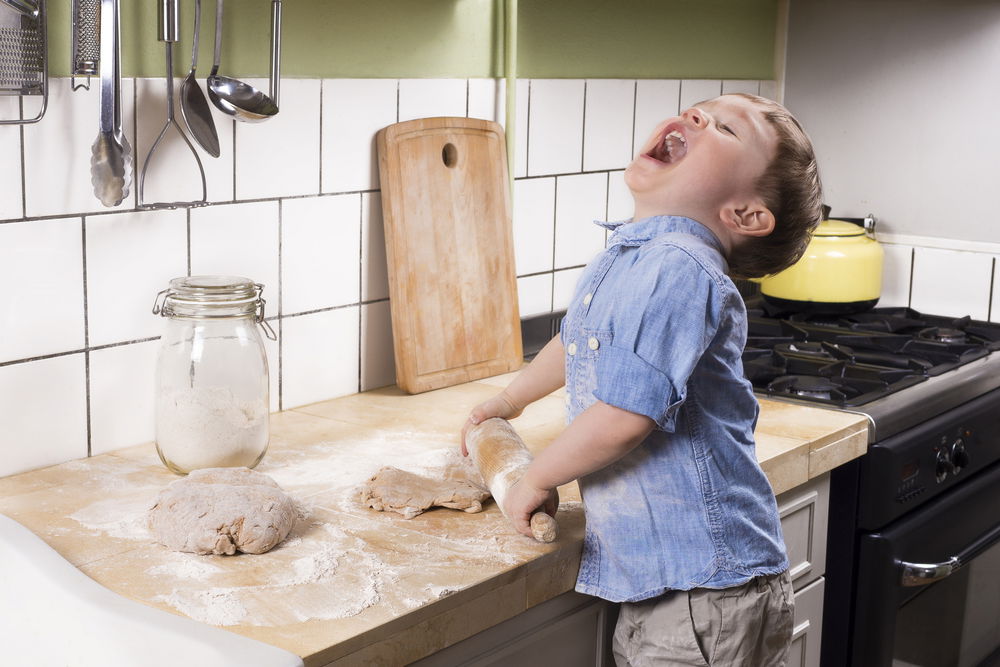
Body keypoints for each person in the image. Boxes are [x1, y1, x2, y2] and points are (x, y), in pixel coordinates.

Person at [461, 93, 823, 666]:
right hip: (674, 584)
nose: (698, 116)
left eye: (725, 128)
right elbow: (581, 338)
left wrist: (537, 476)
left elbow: (624, 418)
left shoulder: (678, 268)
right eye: (699, 110)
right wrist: (511, 399)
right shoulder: (638, 254)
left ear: (745, 214)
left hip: (707, 591)